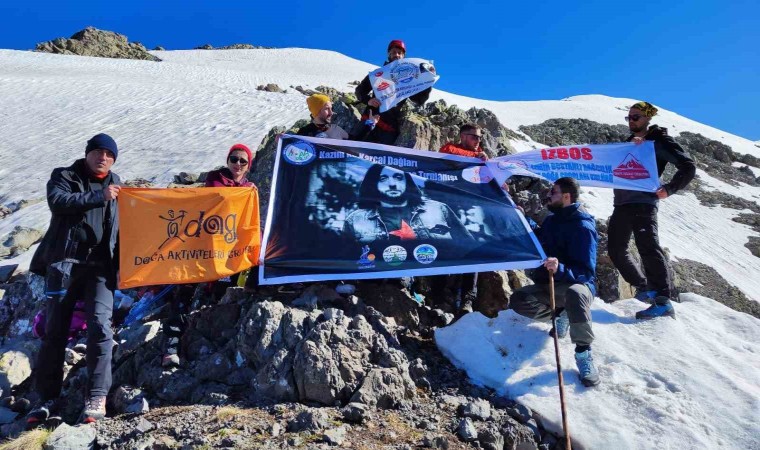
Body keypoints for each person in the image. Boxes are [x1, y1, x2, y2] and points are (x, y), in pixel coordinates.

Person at [26, 133, 122, 426]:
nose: (103, 157)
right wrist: (98, 196)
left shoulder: (116, 181)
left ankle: (96, 396)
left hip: (100, 268)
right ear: (88, 153)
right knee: (55, 330)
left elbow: (121, 226)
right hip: (64, 264)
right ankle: (45, 399)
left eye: (109, 153)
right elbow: (58, 202)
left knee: (100, 327)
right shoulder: (64, 176)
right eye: (98, 152)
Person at [160, 144, 258, 368]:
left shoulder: (249, 189)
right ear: (228, 160)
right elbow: (216, 199)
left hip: (227, 253)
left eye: (243, 161)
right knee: (185, 291)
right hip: (201, 249)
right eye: (234, 159)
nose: (238, 164)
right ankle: (171, 346)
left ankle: (211, 347)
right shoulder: (216, 179)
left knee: (219, 297)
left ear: (249, 164)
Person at [510, 177, 600, 387]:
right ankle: (561, 314)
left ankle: (584, 354)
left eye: (553, 192)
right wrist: (522, 218)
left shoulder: (582, 227)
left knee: (575, 295)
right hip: (553, 283)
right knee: (519, 300)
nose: (548, 195)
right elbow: (541, 236)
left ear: (566, 197)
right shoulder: (553, 219)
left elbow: (586, 272)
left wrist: (559, 268)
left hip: (577, 285)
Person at [609, 101, 696, 319]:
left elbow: (688, 166)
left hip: (644, 203)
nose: (631, 121)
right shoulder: (631, 142)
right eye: (628, 117)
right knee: (616, 249)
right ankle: (644, 287)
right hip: (622, 203)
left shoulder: (659, 141)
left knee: (648, 247)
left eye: (636, 117)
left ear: (648, 118)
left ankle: (663, 300)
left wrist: (670, 188)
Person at [429, 124, 489, 313]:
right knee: (443, 249)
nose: (478, 141)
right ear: (463, 136)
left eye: (480, 138)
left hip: (470, 212)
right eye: (474, 137)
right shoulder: (450, 149)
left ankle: (467, 299)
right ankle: (437, 297)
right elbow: (449, 155)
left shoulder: (482, 158)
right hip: (447, 209)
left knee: (472, 252)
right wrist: (476, 158)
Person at [343, 164, 473, 244]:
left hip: (435, 283)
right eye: (383, 179)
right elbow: (345, 257)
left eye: (398, 177)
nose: (392, 184)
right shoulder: (355, 219)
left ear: (407, 181)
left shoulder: (438, 209)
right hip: (384, 285)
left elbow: (469, 249)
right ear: (373, 184)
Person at [354, 39, 431, 145]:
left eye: (400, 53)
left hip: (388, 129)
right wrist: (369, 100)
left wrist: (427, 82)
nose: (397, 55)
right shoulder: (378, 75)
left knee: (381, 160)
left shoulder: (408, 79)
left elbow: (418, 100)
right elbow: (359, 91)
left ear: (404, 56)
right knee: (354, 151)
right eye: (394, 52)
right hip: (369, 120)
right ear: (389, 55)